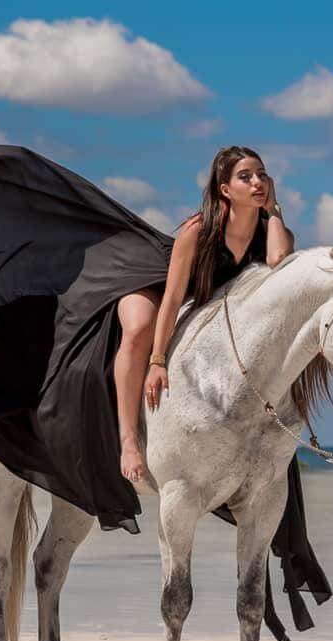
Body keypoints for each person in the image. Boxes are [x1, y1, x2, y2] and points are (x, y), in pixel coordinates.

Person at [114, 145, 293, 489]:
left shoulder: (272, 232)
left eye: (262, 175)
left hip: (205, 306)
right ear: (225, 189)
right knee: (138, 330)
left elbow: (279, 262)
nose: (257, 182)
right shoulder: (197, 231)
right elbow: (172, 298)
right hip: (156, 282)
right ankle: (129, 441)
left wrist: (274, 212)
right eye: (246, 177)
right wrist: (157, 360)